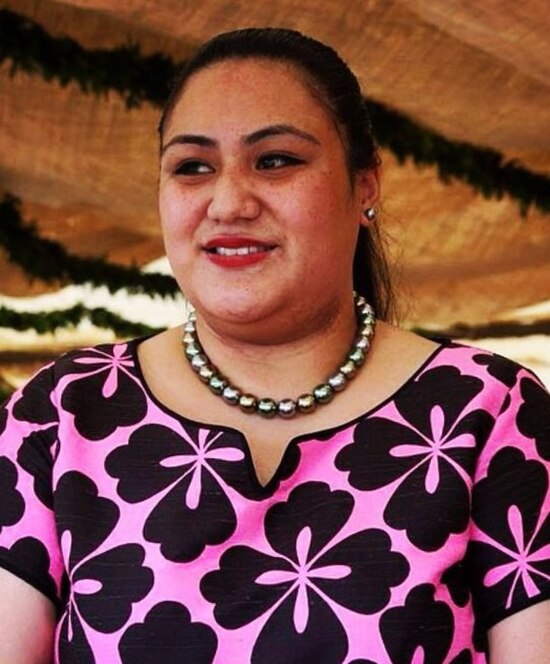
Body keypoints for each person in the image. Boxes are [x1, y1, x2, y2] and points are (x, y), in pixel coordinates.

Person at [0, 27, 549, 664]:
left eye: (276, 160)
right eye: (192, 167)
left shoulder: (488, 412)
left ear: (365, 186)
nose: (228, 201)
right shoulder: (67, 412)